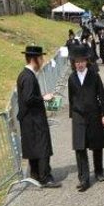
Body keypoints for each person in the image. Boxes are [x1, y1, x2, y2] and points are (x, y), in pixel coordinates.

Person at [67, 44, 104, 191]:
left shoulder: (94, 76)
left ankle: (98, 171)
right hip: (78, 116)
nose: (79, 64)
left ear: (86, 61)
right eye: (77, 62)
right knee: (80, 147)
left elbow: (102, 96)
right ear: (74, 63)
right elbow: (71, 98)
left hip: (94, 114)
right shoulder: (72, 78)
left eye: (82, 61)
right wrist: (73, 115)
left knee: (96, 144)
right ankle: (83, 179)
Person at [16, 46, 60, 188]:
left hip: (29, 119)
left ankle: (36, 174)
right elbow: (29, 98)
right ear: (34, 59)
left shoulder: (25, 75)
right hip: (34, 119)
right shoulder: (28, 77)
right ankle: (45, 177)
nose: (42, 61)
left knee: (34, 147)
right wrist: (44, 98)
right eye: (41, 58)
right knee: (42, 146)